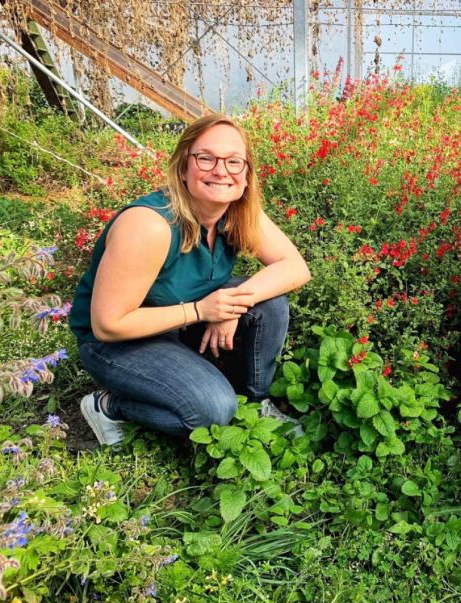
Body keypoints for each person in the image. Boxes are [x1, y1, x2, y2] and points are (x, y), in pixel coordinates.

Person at [70, 114, 311, 446]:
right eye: (206, 158)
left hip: (176, 324)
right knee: (212, 411)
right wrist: (201, 311)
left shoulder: (236, 213)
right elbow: (108, 325)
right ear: (183, 168)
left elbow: (295, 267)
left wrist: (229, 305)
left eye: (234, 161)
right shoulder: (151, 225)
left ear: (246, 175)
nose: (221, 170)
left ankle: (257, 405)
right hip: (117, 344)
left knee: (268, 300)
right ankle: (110, 406)